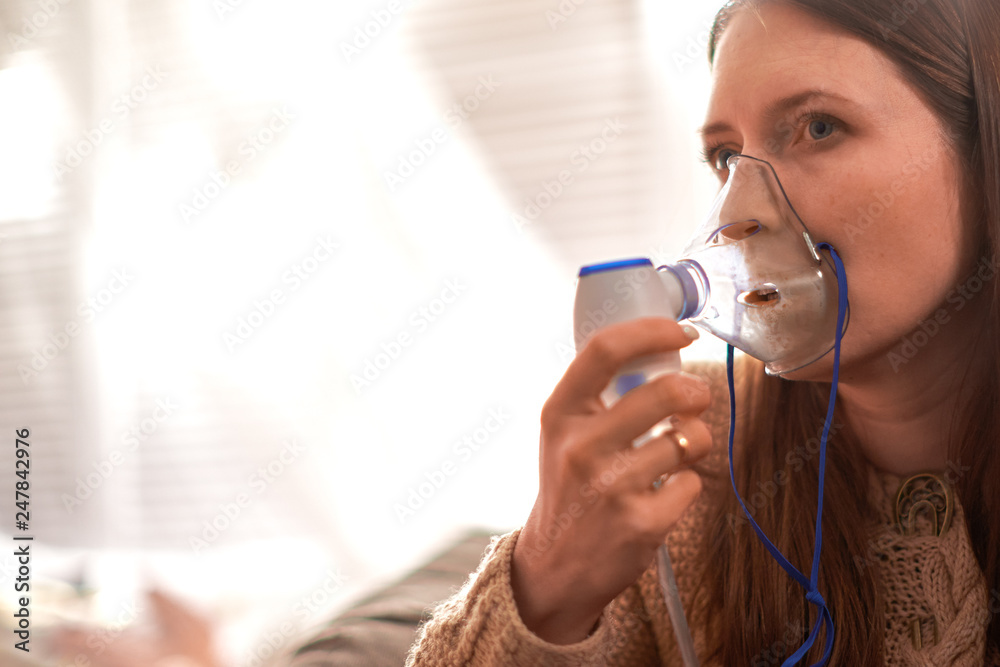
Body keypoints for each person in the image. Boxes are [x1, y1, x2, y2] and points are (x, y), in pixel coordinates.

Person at [404, 0, 1000, 664]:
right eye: (725, 156)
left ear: (983, 149)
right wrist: (545, 585)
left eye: (819, 127)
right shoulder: (686, 455)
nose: (737, 213)